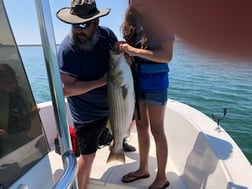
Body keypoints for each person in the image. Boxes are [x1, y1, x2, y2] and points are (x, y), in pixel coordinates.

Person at [56, 1, 134, 188]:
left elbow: (121, 60)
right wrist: (103, 81)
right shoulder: (68, 49)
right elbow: (67, 89)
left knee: (129, 122)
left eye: (83, 24)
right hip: (86, 113)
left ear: (96, 23)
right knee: (88, 156)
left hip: (112, 107)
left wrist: (126, 58)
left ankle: (116, 141)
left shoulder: (107, 35)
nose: (78, 30)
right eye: (74, 24)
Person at [119, 1, 174, 189]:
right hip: (136, 80)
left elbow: (167, 56)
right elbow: (132, 56)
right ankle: (143, 168)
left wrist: (134, 50)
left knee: (157, 130)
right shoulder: (130, 21)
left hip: (156, 82)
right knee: (141, 126)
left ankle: (162, 177)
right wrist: (127, 56)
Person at [145, 0, 252, 60]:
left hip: (154, 85)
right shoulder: (137, 21)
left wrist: (132, 51)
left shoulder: (164, 25)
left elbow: (167, 56)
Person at [0, 64, 36, 157]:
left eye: (14, 81)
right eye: (7, 83)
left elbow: (30, 109)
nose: (12, 85)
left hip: (21, 135)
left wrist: (32, 112)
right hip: (4, 141)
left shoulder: (20, 92)